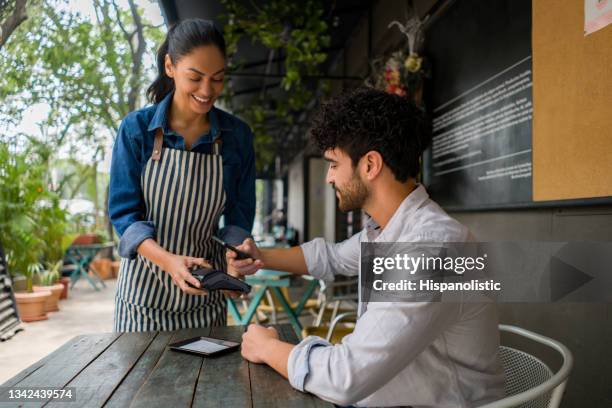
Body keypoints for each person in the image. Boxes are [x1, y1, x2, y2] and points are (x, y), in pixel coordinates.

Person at [229, 88, 505, 407]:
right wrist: (260, 256)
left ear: (370, 165)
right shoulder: (385, 232)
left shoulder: (431, 249)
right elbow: (330, 258)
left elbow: (346, 376)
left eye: (333, 164)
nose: (329, 178)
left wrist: (267, 347)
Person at [108, 19, 255, 332]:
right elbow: (124, 217)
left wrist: (237, 260)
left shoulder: (237, 137)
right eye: (195, 77)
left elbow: (238, 219)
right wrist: (168, 261)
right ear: (170, 67)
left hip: (206, 298)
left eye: (217, 79)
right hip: (143, 301)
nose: (207, 90)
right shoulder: (136, 131)